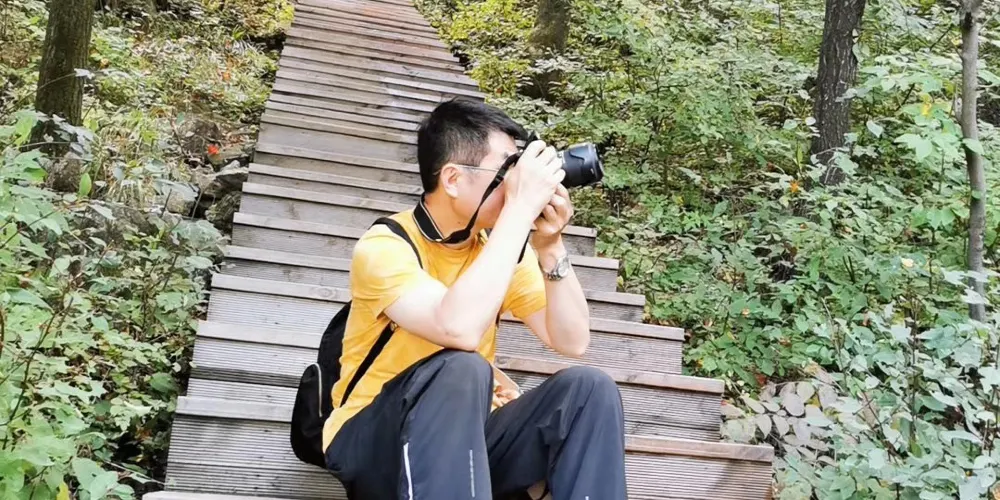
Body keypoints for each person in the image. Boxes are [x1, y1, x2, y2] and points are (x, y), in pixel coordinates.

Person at [322, 98, 627, 500]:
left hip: (463, 443)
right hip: (371, 441)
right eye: (506, 170)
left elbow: (573, 340)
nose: (516, 184)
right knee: (462, 366)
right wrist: (519, 211)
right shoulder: (384, 247)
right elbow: (458, 329)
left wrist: (550, 246)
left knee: (589, 390)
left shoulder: (498, 250)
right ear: (452, 179)